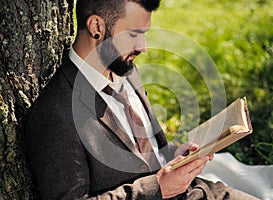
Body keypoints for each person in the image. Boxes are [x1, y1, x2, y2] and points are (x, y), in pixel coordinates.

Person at [25, 0, 258, 199]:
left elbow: (142, 149)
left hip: (196, 192)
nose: (143, 48)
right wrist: (158, 188)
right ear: (96, 26)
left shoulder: (125, 67)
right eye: (134, 34)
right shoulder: (55, 114)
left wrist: (172, 157)